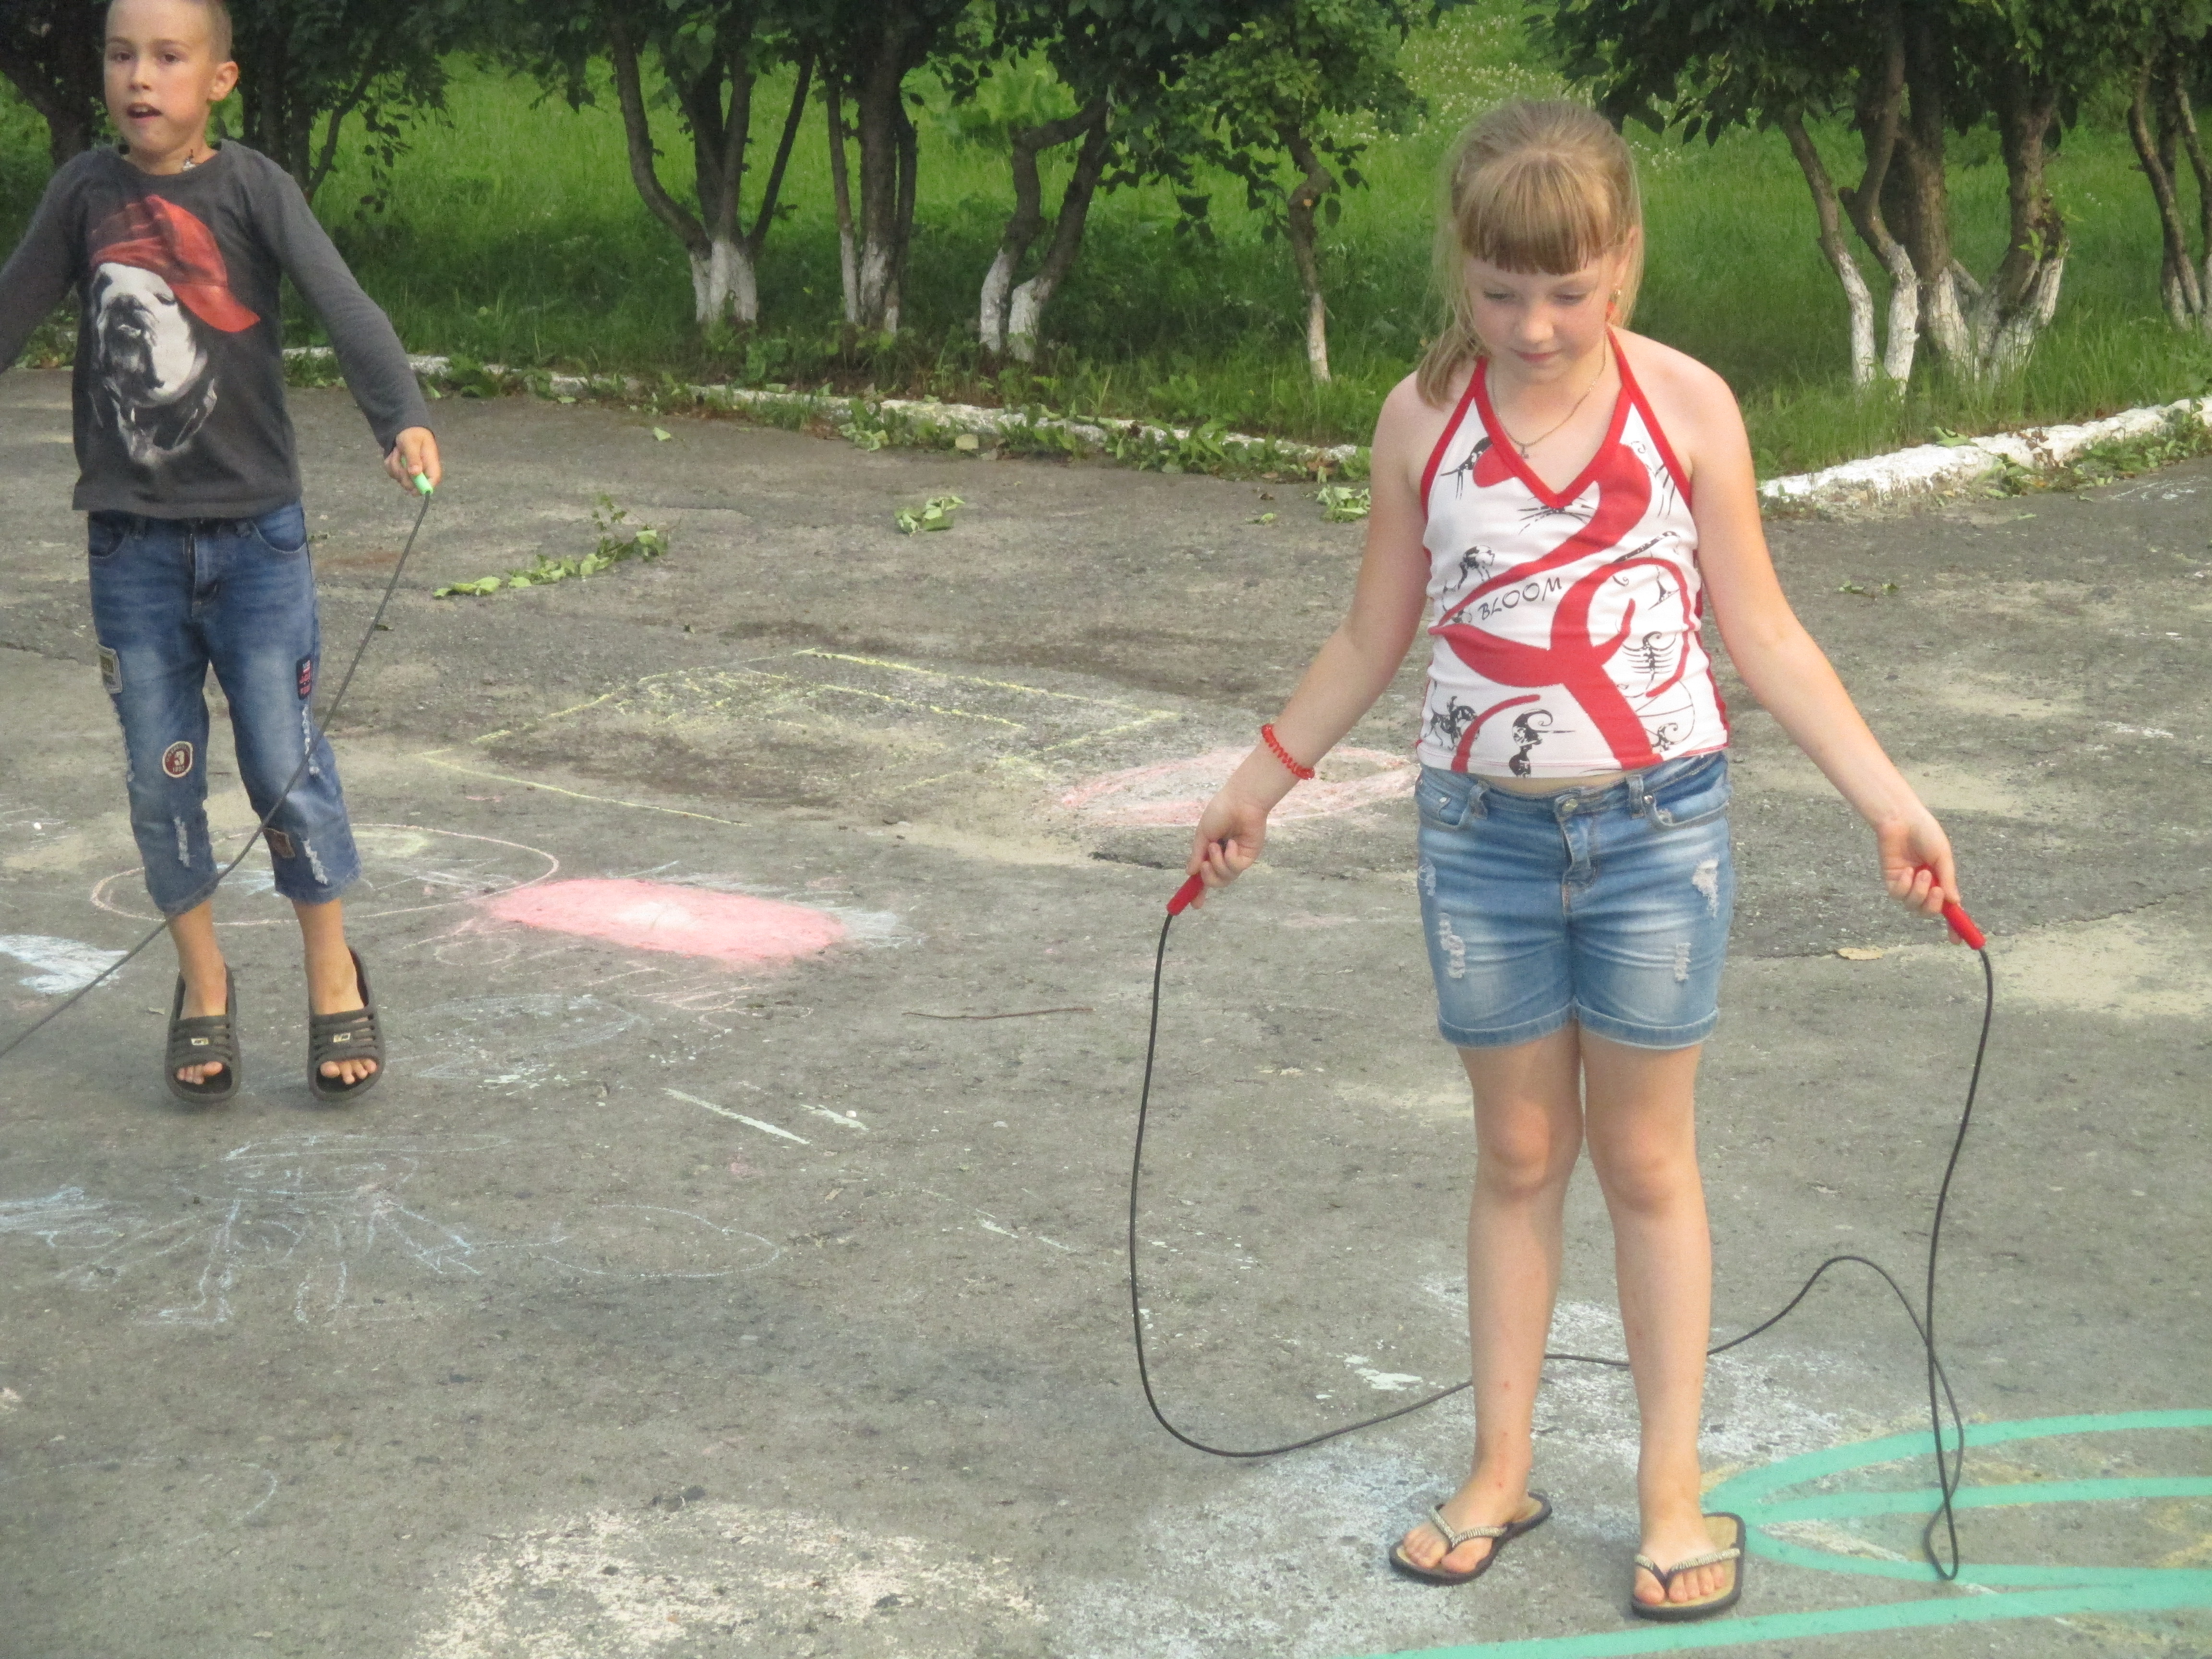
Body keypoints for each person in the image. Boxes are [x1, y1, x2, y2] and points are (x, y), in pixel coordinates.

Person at [1184, 100, 1963, 1624]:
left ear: (1626, 262)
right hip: (1478, 844)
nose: (1533, 326)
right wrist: (1259, 780)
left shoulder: (1688, 408)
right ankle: (1500, 1468)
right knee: (1520, 1158)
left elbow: (1765, 632)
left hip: (1657, 837)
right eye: (1499, 292)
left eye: (1568, 290)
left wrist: (1889, 800)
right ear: (1459, 269)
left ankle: (1671, 1488)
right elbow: (1372, 634)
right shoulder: (1421, 421)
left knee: (1648, 1162)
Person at [0, 0, 442, 1105]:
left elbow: (345, 305)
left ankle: (333, 972)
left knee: (283, 769)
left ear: (220, 80)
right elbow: (10, 311)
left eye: (167, 57)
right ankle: (204, 983)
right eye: (121, 55)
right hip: (133, 553)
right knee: (161, 780)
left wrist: (400, 417)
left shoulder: (255, 189)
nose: (139, 77)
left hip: (257, 546)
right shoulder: (84, 194)